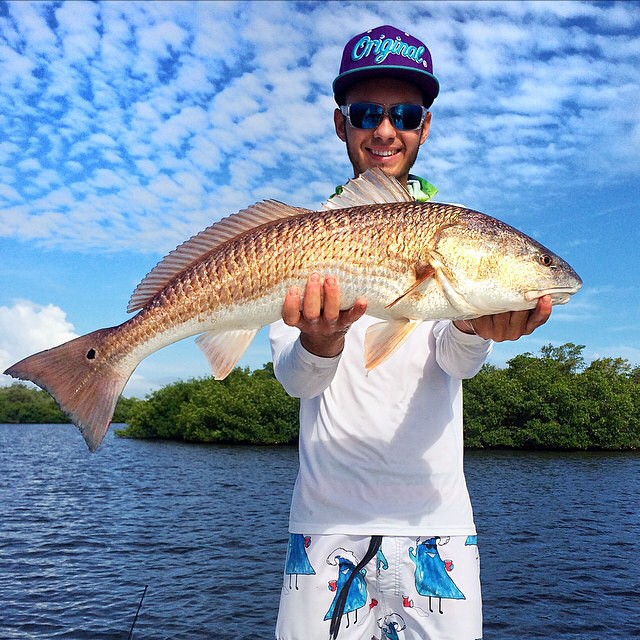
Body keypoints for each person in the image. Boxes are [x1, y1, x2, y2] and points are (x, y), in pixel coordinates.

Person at [269, 25, 551, 640]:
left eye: (405, 113)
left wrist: (476, 329)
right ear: (341, 123)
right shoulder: (298, 240)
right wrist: (318, 343)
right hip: (325, 523)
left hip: (437, 523)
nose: (385, 129)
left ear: (425, 127)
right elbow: (293, 378)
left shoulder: (453, 236)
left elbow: (455, 361)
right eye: (367, 112)